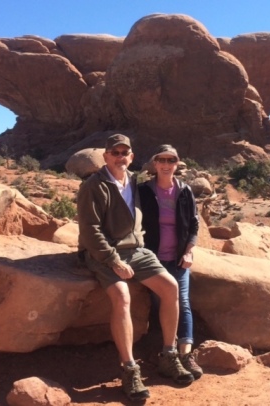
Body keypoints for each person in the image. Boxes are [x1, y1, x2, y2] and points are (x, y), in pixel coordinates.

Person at [77, 134, 194, 402]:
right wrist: (112, 260)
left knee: (171, 287)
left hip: (136, 250)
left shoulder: (133, 181)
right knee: (122, 296)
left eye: (125, 153)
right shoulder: (94, 186)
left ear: (131, 157)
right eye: (115, 152)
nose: (120, 157)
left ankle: (169, 355)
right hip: (103, 252)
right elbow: (90, 229)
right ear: (105, 156)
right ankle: (129, 368)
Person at [138, 144, 203, 380]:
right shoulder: (143, 191)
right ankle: (170, 354)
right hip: (152, 259)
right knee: (163, 302)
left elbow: (193, 225)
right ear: (155, 164)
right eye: (161, 160)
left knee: (182, 302)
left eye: (171, 161)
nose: (166, 165)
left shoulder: (185, 191)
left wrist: (189, 251)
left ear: (177, 164)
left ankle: (186, 354)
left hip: (177, 259)